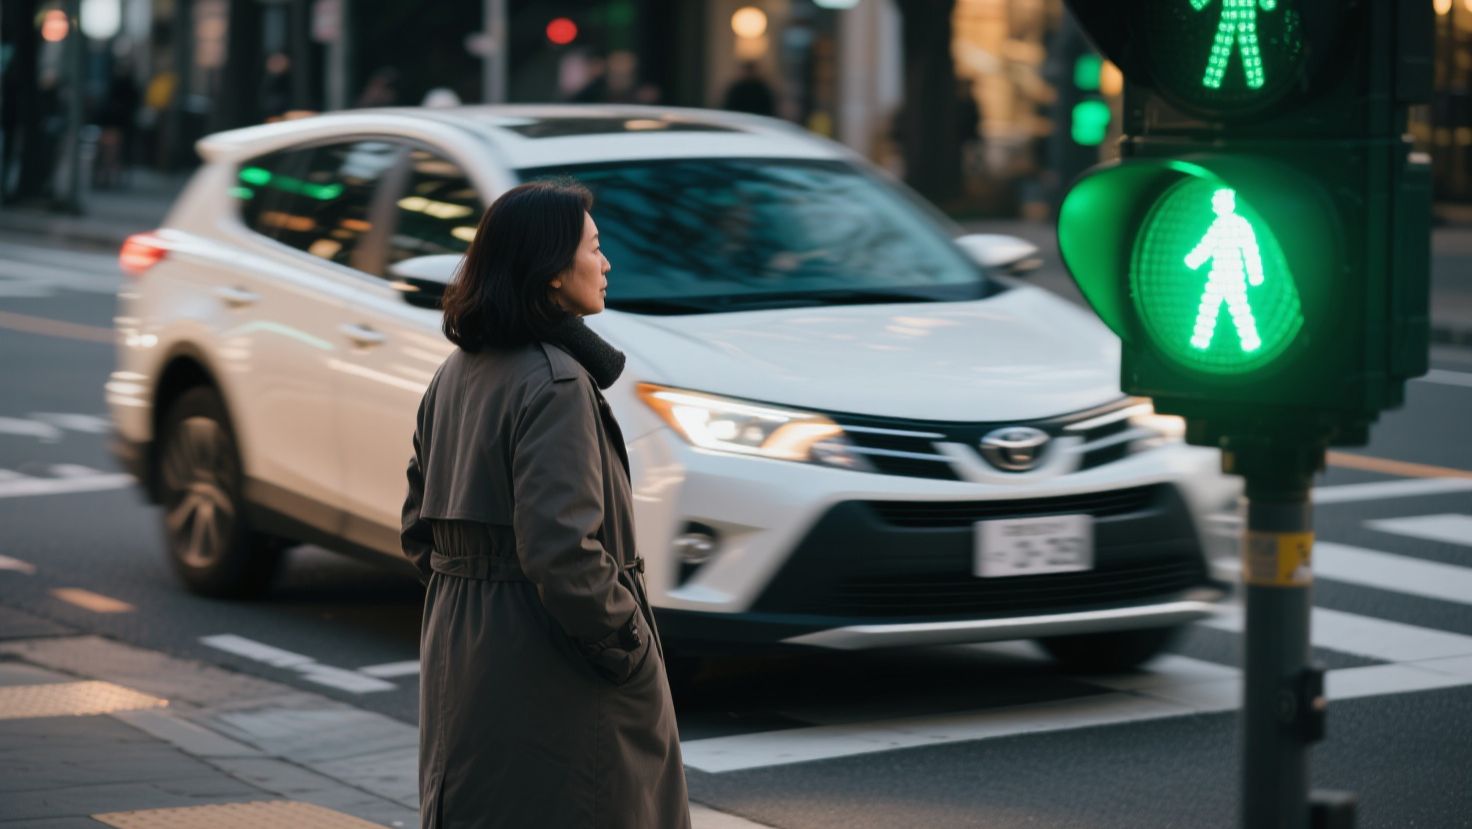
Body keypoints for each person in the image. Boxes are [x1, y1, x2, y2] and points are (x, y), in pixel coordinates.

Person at [401, 180, 691, 829]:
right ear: (554, 273)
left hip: (463, 655)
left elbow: (417, 528)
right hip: (554, 672)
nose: (606, 261)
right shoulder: (554, 383)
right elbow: (564, 551)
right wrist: (628, 643)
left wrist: (472, 594)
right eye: (594, 247)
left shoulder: (455, 373)